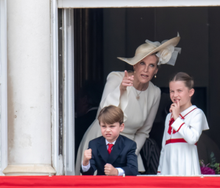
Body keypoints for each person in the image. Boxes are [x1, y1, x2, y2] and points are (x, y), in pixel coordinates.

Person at [76, 34, 181, 175]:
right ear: (134, 65)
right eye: (142, 63)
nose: (145, 69)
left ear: (156, 71)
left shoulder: (155, 93)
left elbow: (144, 132)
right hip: (100, 141)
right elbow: (102, 112)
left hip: (128, 148)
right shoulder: (116, 78)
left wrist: (129, 154)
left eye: (151, 66)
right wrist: (121, 89)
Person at [157, 72, 209, 176]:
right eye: (172, 91)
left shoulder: (196, 113)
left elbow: (192, 138)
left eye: (179, 91)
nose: (175, 95)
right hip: (168, 168)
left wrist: (177, 118)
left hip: (186, 166)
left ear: (190, 92)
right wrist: (160, 172)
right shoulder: (169, 117)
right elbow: (164, 146)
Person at [81, 105, 138, 176]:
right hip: (101, 185)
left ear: (121, 127)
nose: (107, 130)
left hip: (120, 185)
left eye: (112, 126)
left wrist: (116, 171)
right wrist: (86, 162)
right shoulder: (93, 144)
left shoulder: (129, 144)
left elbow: (133, 169)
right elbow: (89, 174)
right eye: (103, 126)